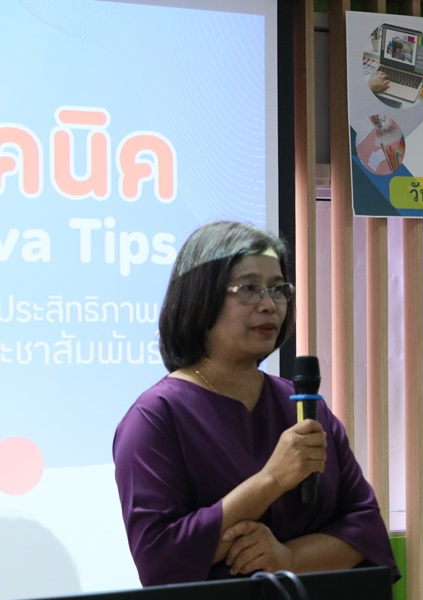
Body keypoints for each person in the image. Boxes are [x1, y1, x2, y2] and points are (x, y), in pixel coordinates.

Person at [112, 221, 399, 586]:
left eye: (278, 289)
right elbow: (160, 562)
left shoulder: (302, 406)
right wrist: (271, 479)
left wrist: (288, 558)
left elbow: (367, 527)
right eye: (248, 288)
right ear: (200, 296)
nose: (269, 305)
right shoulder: (156, 417)